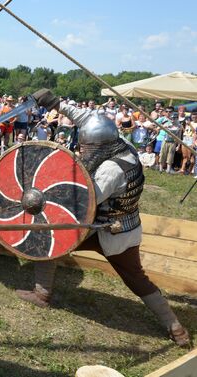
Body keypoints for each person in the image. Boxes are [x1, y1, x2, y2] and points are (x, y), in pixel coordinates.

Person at [15, 89, 190, 347]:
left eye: (88, 147)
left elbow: (81, 198)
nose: (83, 149)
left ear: (103, 146)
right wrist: (56, 103)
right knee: (50, 239)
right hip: (106, 223)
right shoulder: (119, 143)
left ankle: (176, 329)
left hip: (113, 230)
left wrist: (49, 184)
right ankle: (41, 294)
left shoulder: (111, 169)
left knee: (135, 278)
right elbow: (87, 117)